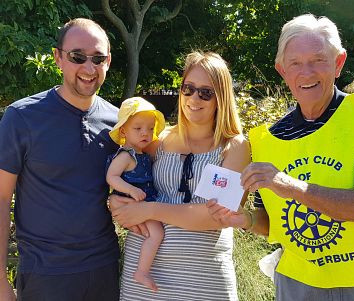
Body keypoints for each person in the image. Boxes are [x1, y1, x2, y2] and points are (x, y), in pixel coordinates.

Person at [207, 14, 354, 301]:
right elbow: (272, 223)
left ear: (338, 63)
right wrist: (243, 218)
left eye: (318, 60)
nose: (306, 73)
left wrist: (289, 185)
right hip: (299, 285)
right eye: (295, 63)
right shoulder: (266, 138)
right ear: (281, 70)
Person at [110, 51, 251, 300]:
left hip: (203, 280)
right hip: (144, 277)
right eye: (188, 88)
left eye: (205, 92)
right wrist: (116, 201)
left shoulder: (235, 146)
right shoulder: (157, 142)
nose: (194, 98)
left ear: (221, 97)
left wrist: (151, 210)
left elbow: (217, 216)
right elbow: (128, 179)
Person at [0, 18, 120, 301]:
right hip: (46, 275)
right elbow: (1, 198)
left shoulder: (119, 123)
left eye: (98, 58)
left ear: (108, 62)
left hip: (105, 270)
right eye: (78, 57)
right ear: (58, 58)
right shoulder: (22, 118)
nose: (89, 68)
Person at [106, 97, 165, 292]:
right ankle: (142, 272)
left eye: (150, 128)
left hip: (143, 203)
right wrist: (130, 190)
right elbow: (111, 177)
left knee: (152, 233)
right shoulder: (126, 155)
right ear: (123, 131)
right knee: (156, 233)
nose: (145, 133)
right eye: (138, 128)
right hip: (135, 203)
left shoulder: (142, 154)